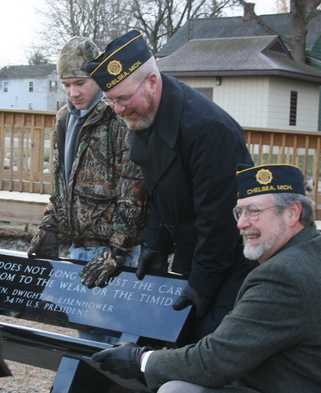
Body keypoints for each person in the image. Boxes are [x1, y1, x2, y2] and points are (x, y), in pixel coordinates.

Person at [91, 164, 321, 392]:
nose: (242, 224)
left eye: (254, 212)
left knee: (176, 390)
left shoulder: (284, 275)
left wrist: (141, 359)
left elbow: (214, 362)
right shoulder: (319, 250)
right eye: (239, 212)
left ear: (292, 213)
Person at [85, 30, 257, 340]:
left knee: (207, 349)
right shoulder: (143, 117)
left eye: (123, 98)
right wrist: (155, 244)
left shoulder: (208, 130)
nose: (119, 110)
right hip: (194, 251)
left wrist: (202, 286)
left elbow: (219, 222)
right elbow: (160, 192)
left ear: (152, 81)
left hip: (230, 261)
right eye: (111, 101)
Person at [27, 36, 147, 289]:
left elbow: (134, 192)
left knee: (121, 325)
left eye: (81, 83)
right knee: (86, 326)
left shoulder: (119, 118)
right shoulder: (64, 119)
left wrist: (116, 250)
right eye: (66, 84)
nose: (73, 92)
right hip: (79, 247)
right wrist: (49, 224)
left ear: (98, 79)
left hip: (119, 253)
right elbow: (62, 186)